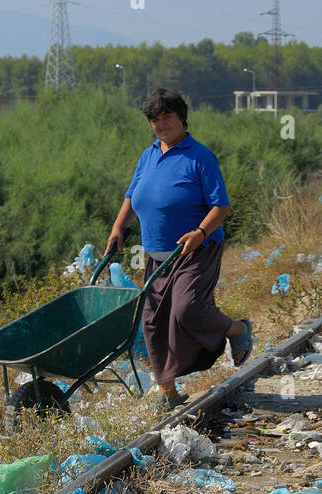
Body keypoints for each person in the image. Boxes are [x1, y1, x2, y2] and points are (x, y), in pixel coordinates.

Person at [105, 88, 252, 408]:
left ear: (181, 118)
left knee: (187, 309)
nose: (161, 124)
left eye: (167, 117)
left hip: (196, 249)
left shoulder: (199, 156)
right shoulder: (148, 155)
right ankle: (167, 393)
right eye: (154, 120)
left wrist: (200, 232)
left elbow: (221, 206)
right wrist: (118, 227)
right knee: (153, 321)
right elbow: (131, 196)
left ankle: (236, 328)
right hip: (157, 254)